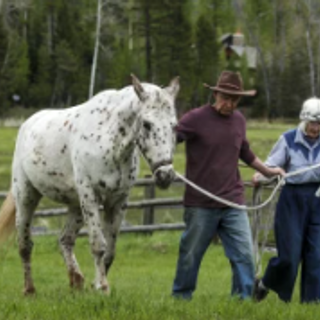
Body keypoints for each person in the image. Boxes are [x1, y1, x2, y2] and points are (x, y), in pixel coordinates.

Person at [171, 70, 285, 300]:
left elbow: (245, 153)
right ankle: (181, 297)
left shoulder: (239, 121)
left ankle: (241, 301)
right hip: (201, 203)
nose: (229, 104)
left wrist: (269, 171)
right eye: (225, 97)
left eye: (234, 100)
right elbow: (169, 139)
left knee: (244, 254)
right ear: (215, 94)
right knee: (191, 254)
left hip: (233, 200)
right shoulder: (194, 119)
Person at [253, 97, 320, 303]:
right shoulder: (288, 140)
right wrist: (262, 176)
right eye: (312, 123)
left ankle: (311, 302)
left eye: (319, 124)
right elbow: (271, 166)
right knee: (289, 257)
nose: (315, 128)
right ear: (303, 121)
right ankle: (265, 283)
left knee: (317, 255)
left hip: (317, 200)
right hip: (291, 199)